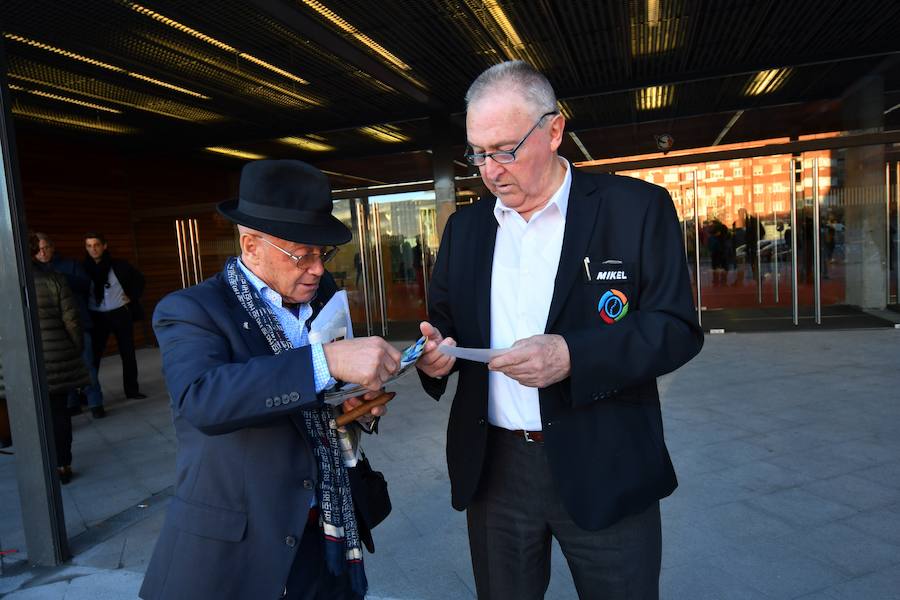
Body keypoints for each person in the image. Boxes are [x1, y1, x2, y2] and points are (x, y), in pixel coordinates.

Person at [416, 61, 704, 600]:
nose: (490, 169)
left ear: (553, 130)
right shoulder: (466, 229)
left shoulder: (635, 208)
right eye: (477, 152)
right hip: (495, 471)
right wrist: (437, 356)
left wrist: (574, 354)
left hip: (606, 458)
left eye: (505, 149)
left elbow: (676, 328)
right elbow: (446, 324)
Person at [139, 159, 402, 600]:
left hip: (328, 536)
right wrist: (326, 362)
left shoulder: (320, 295)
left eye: (323, 253)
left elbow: (316, 401)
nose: (317, 269)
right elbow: (202, 398)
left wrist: (358, 405)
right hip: (241, 551)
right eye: (303, 254)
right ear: (251, 245)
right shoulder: (190, 309)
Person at [0, 234, 90, 482]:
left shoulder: (5, 280)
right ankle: (62, 464)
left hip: (17, 359)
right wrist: (73, 349)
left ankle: (38, 463)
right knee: (59, 412)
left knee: (27, 413)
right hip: (55, 356)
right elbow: (71, 319)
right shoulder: (53, 278)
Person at [33, 233, 105, 416]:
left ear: (52, 247)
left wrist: (58, 277)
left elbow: (84, 285)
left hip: (79, 323)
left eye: (45, 248)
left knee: (88, 364)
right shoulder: (32, 270)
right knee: (62, 367)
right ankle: (72, 403)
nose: (42, 253)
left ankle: (95, 403)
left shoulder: (70, 265)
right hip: (53, 329)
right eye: (38, 249)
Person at [83, 232, 146, 413]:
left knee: (128, 353)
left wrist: (132, 296)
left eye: (96, 245)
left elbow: (140, 280)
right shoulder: (83, 268)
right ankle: (91, 396)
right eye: (89, 246)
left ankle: (132, 390)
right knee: (93, 358)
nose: (93, 249)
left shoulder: (119, 265)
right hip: (97, 316)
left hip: (120, 313)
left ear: (104, 246)